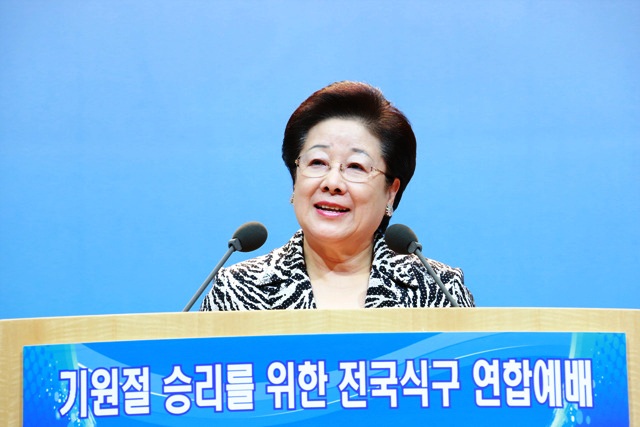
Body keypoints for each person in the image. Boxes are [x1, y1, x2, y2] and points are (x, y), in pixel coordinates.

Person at [201, 81, 474, 310]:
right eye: (317, 162)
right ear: (295, 180)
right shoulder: (237, 290)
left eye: (356, 166)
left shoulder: (437, 291)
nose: (332, 183)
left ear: (391, 192)